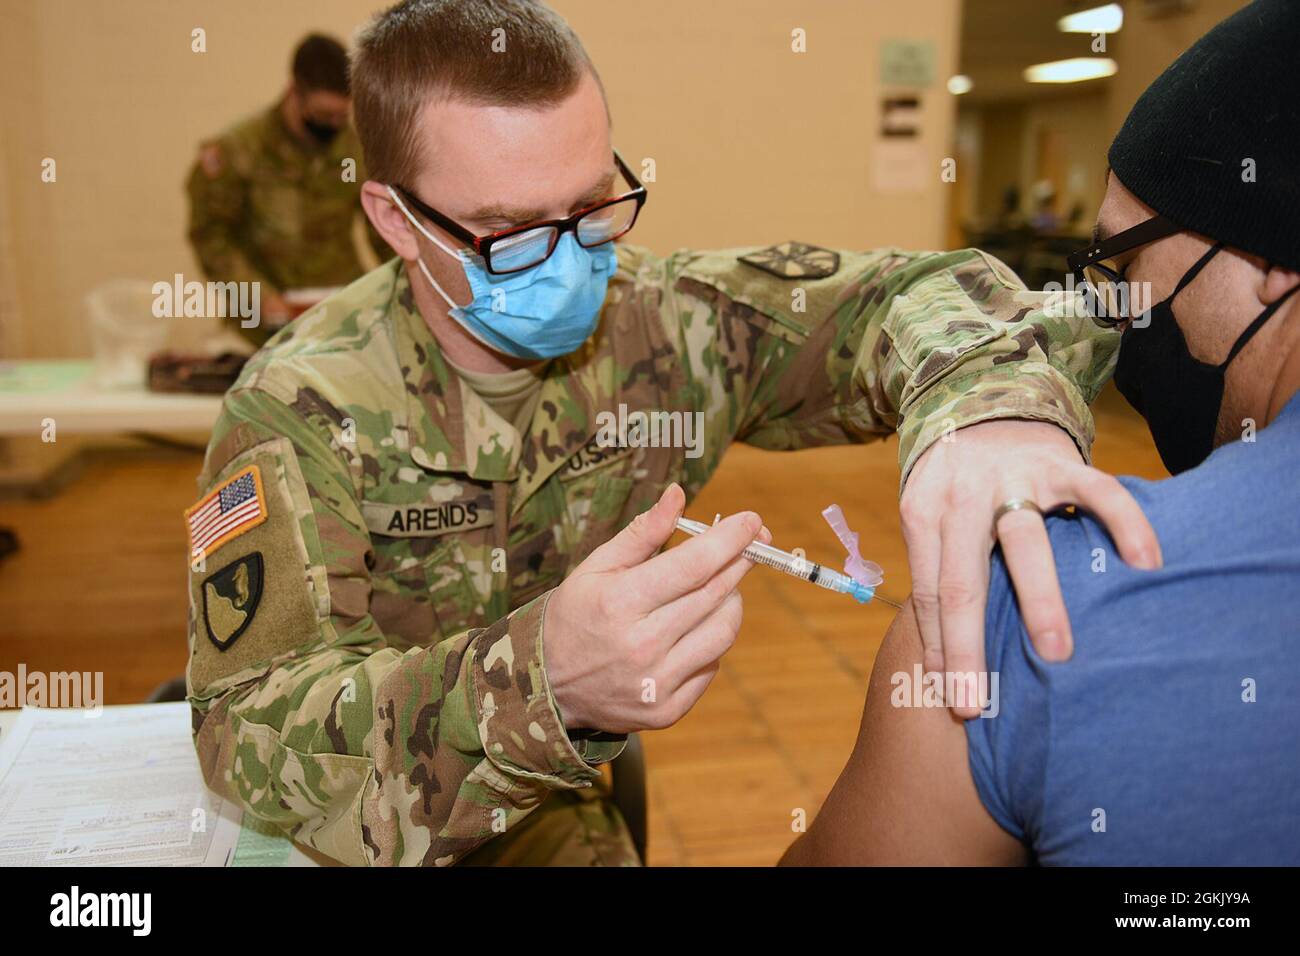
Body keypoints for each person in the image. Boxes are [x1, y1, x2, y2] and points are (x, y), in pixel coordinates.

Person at [183, 0, 1157, 866]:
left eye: (593, 206)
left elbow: (913, 294)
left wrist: (987, 409)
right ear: (395, 222)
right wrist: (543, 679)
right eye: (509, 232)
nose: (569, 259)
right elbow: (246, 730)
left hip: (545, 818)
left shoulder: (668, 321)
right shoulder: (297, 407)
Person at [782, 0, 1300, 866]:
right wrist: (999, 401)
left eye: (1127, 264)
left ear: (1276, 261)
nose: (1116, 315)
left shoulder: (1034, 613)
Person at [186, 34, 388, 348]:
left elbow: (384, 228)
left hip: (342, 316)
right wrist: (257, 295)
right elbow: (211, 236)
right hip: (262, 325)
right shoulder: (238, 152)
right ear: (294, 91)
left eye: (341, 116)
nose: (333, 125)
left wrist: (402, 289)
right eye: (323, 115)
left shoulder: (354, 148)